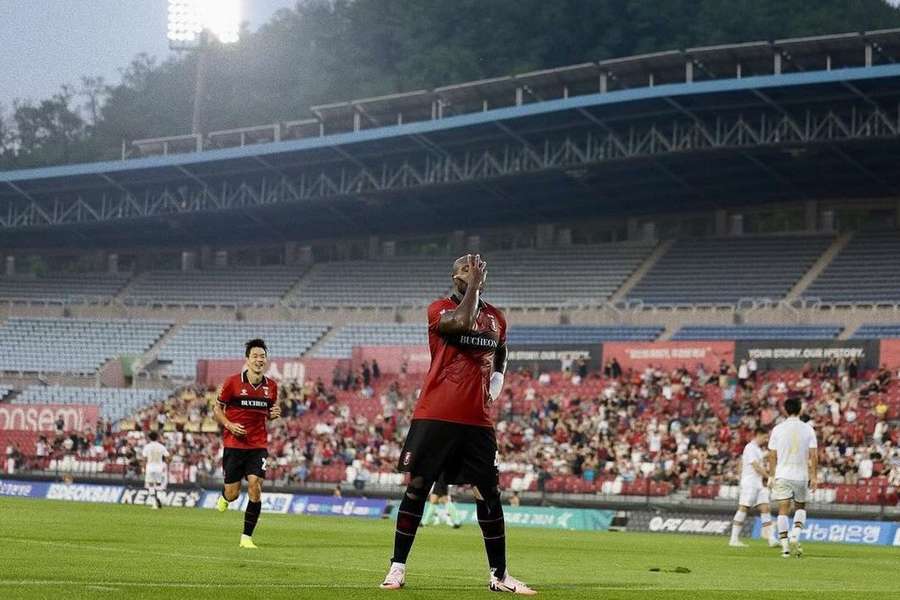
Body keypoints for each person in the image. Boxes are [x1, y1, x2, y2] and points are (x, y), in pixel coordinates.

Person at [380, 254, 535, 595]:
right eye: (466, 268)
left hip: (477, 421)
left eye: (478, 268)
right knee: (418, 488)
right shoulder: (439, 310)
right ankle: (397, 568)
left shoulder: (496, 318)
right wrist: (475, 290)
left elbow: (502, 352)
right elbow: (463, 322)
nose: (474, 271)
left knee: (488, 494)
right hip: (435, 414)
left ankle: (499, 575)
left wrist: (496, 381)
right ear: (454, 277)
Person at [213, 338, 281, 549]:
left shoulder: (271, 386)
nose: (259, 360)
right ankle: (225, 496)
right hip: (234, 444)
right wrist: (230, 425)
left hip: (257, 446)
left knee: (255, 486)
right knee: (233, 494)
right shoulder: (232, 382)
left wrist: (273, 414)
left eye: (262, 356)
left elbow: (268, 413)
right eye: (255, 356)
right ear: (247, 360)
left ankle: (246, 537)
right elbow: (217, 409)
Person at [768, 396, 818, 559]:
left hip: (782, 474)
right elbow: (814, 455)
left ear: (785, 410)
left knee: (783, 509)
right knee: (800, 506)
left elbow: (772, 455)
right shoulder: (808, 429)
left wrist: (771, 475)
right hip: (800, 474)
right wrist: (814, 476)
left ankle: (784, 547)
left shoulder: (777, 429)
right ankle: (795, 533)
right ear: (800, 409)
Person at [729, 427, 776, 547]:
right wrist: (768, 477)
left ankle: (771, 539)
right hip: (749, 483)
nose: (766, 440)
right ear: (758, 435)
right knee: (743, 507)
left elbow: (758, 459)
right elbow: (756, 466)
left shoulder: (757, 449)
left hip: (758, 483)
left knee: (765, 508)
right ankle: (733, 539)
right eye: (765, 437)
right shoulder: (750, 447)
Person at [142, 431, 169, 509]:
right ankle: (160, 499)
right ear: (157, 438)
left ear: (149, 438)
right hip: (159, 467)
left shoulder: (147, 446)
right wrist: (166, 463)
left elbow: (144, 458)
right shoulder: (161, 446)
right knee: (158, 484)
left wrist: (143, 468)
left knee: (150, 485)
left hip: (150, 467)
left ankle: (154, 503)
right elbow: (168, 456)